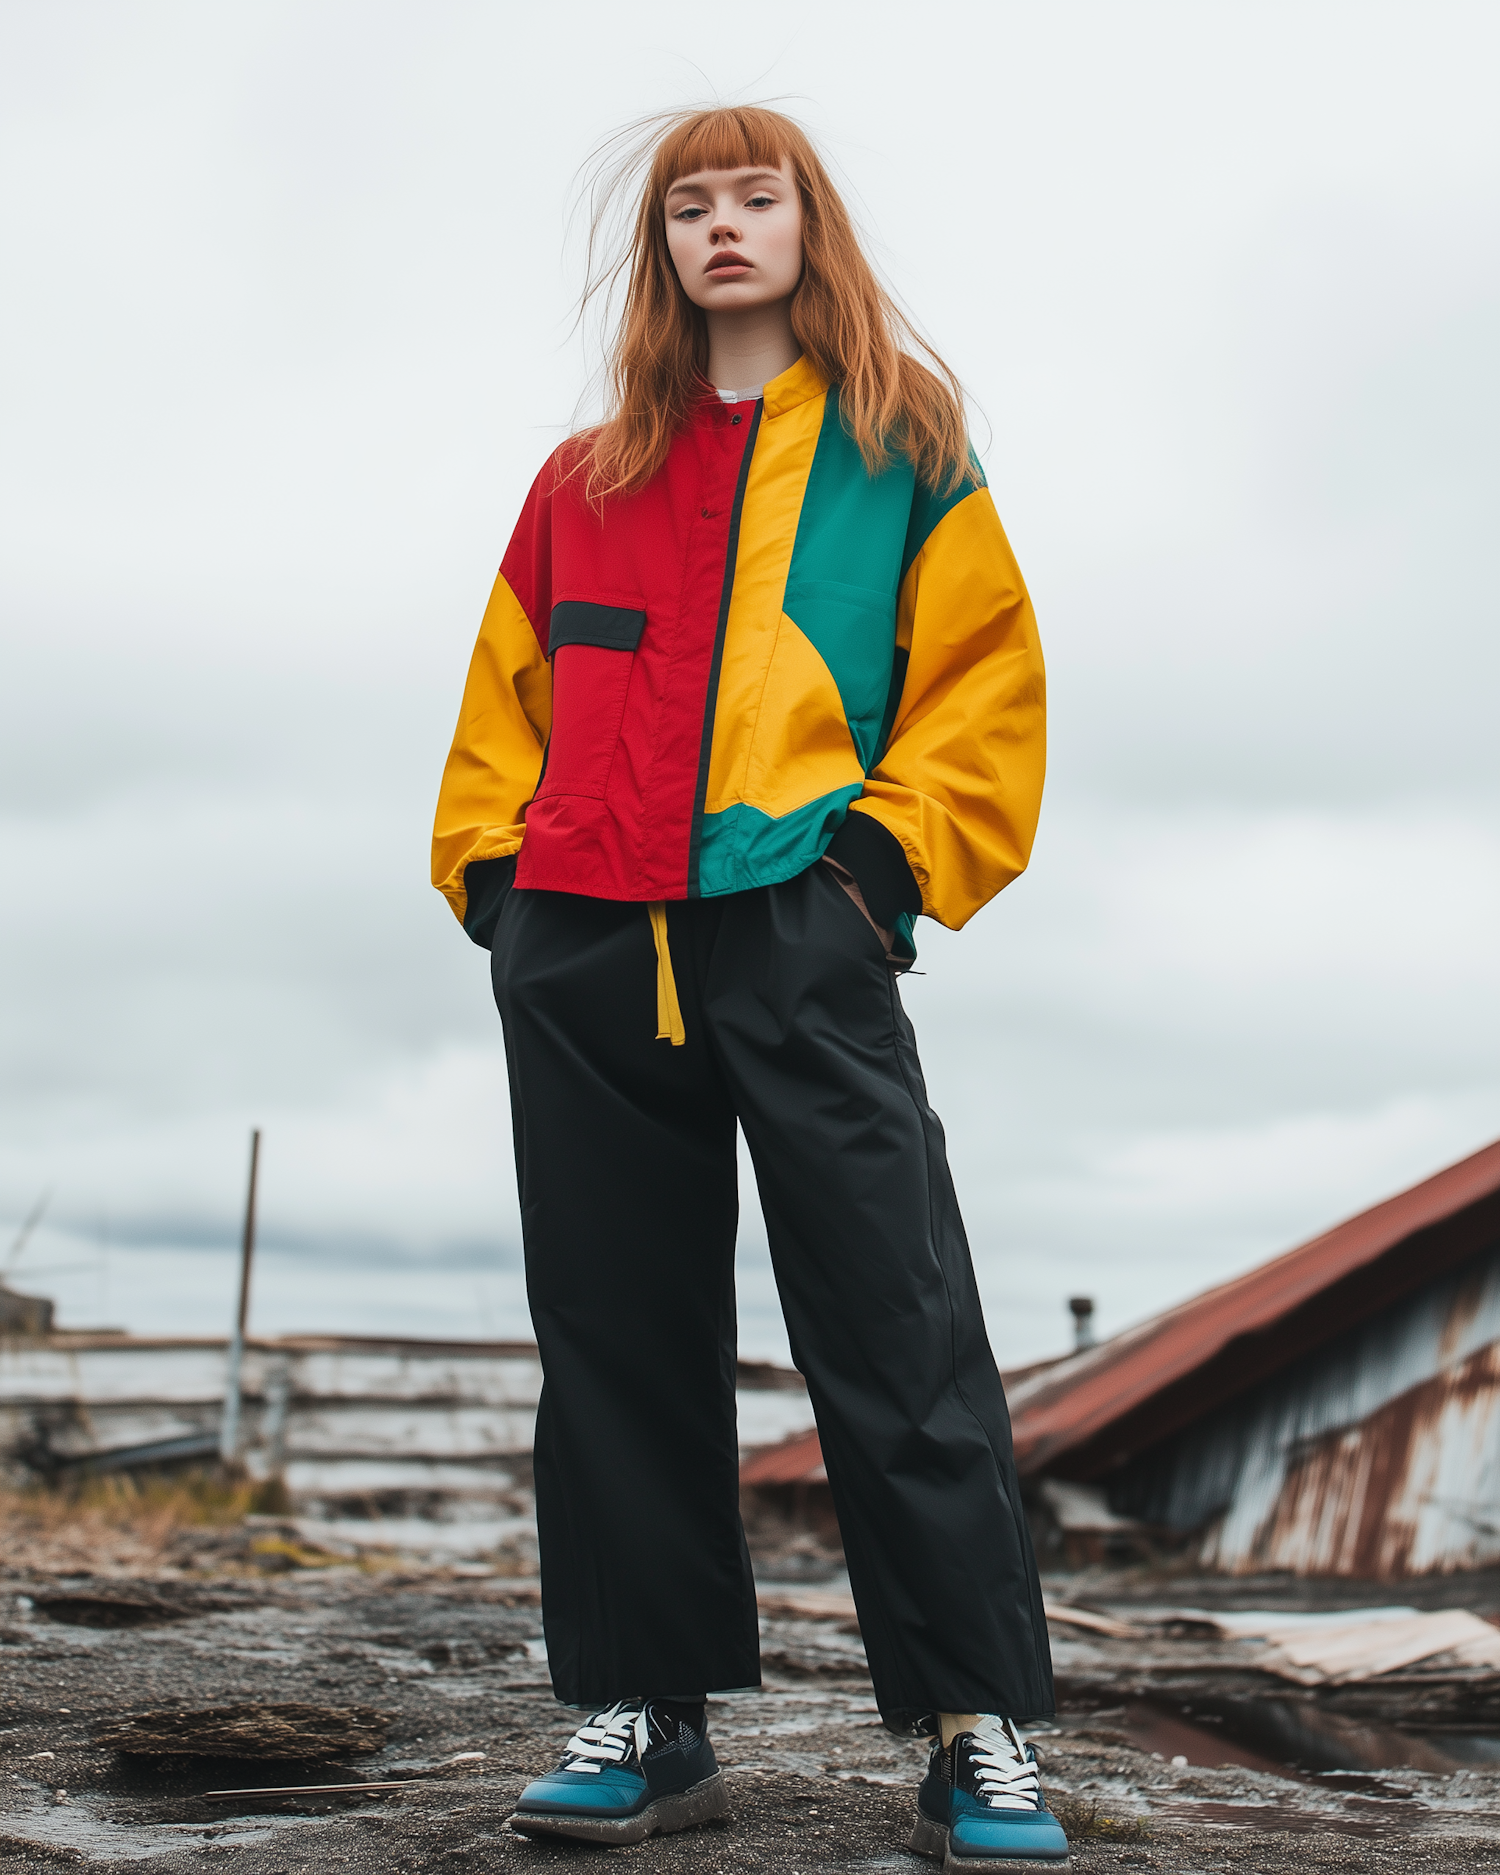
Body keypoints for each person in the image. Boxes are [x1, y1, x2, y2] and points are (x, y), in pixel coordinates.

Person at [431, 105, 1064, 1871]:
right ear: (663, 249)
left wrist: (877, 876)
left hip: (802, 927)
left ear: (808, 224)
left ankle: (972, 1727)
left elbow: (984, 687)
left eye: (755, 196)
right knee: (616, 1331)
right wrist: (501, 883)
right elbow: (502, 701)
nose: (724, 226)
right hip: (586, 936)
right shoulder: (583, 477)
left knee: (895, 1316)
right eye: (689, 204)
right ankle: (645, 1712)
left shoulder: (901, 444)